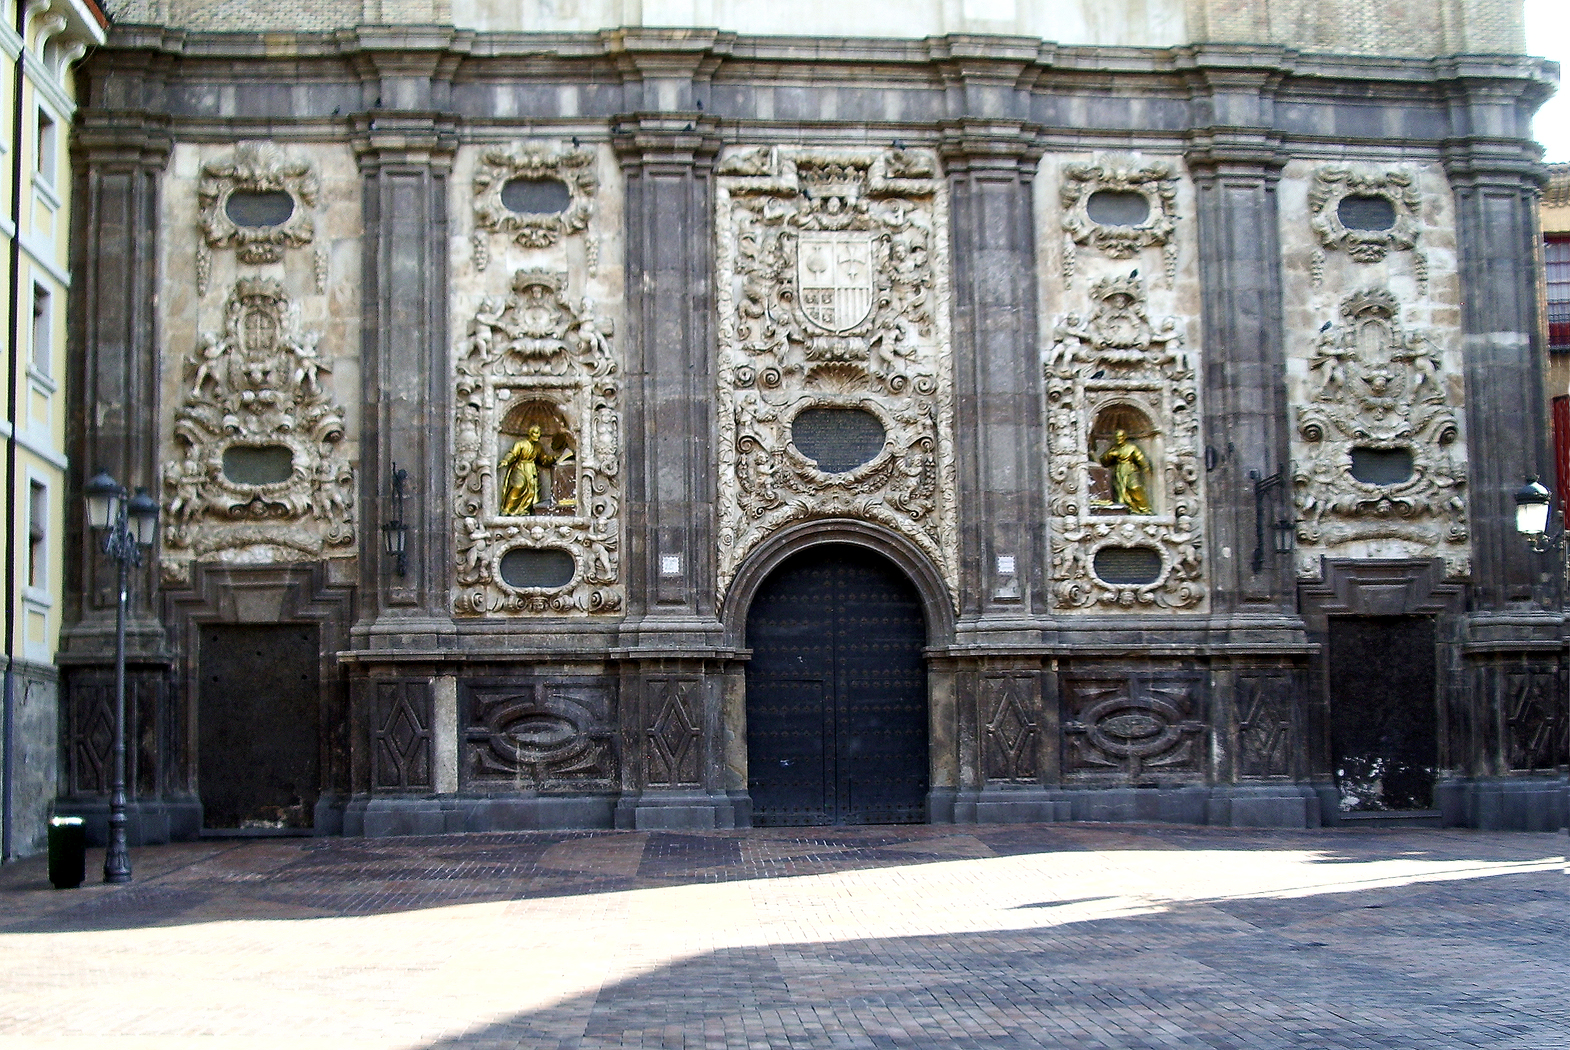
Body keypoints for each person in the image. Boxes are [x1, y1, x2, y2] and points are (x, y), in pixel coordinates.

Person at [498, 425, 557, 515]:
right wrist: (506, 460)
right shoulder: (521, 444)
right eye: (536, 433)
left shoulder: (538, 447)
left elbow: (543, 459)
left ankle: (524, 510)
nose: (538, 435)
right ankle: (507, 509)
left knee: (531, 491)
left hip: (531, 470)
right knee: (518, 486)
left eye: (539, 433)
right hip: (520, 468)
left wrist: (553, 458)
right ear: (530, 433)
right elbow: (513, 453)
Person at [1099, 429, 1153, 514]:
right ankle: (1125, 510)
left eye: (1120, 437)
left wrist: (1145, 466)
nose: (1118, 439)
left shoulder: (1131, 447)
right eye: (1117, 437)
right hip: (1118, 471)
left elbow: (1140, 458)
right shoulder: (1114, 448)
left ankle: (1144, 509)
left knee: (1134, 488)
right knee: (1120, 491)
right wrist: (1110, 455)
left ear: (1125, 437)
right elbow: (1103, 461)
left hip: (1130, 470)